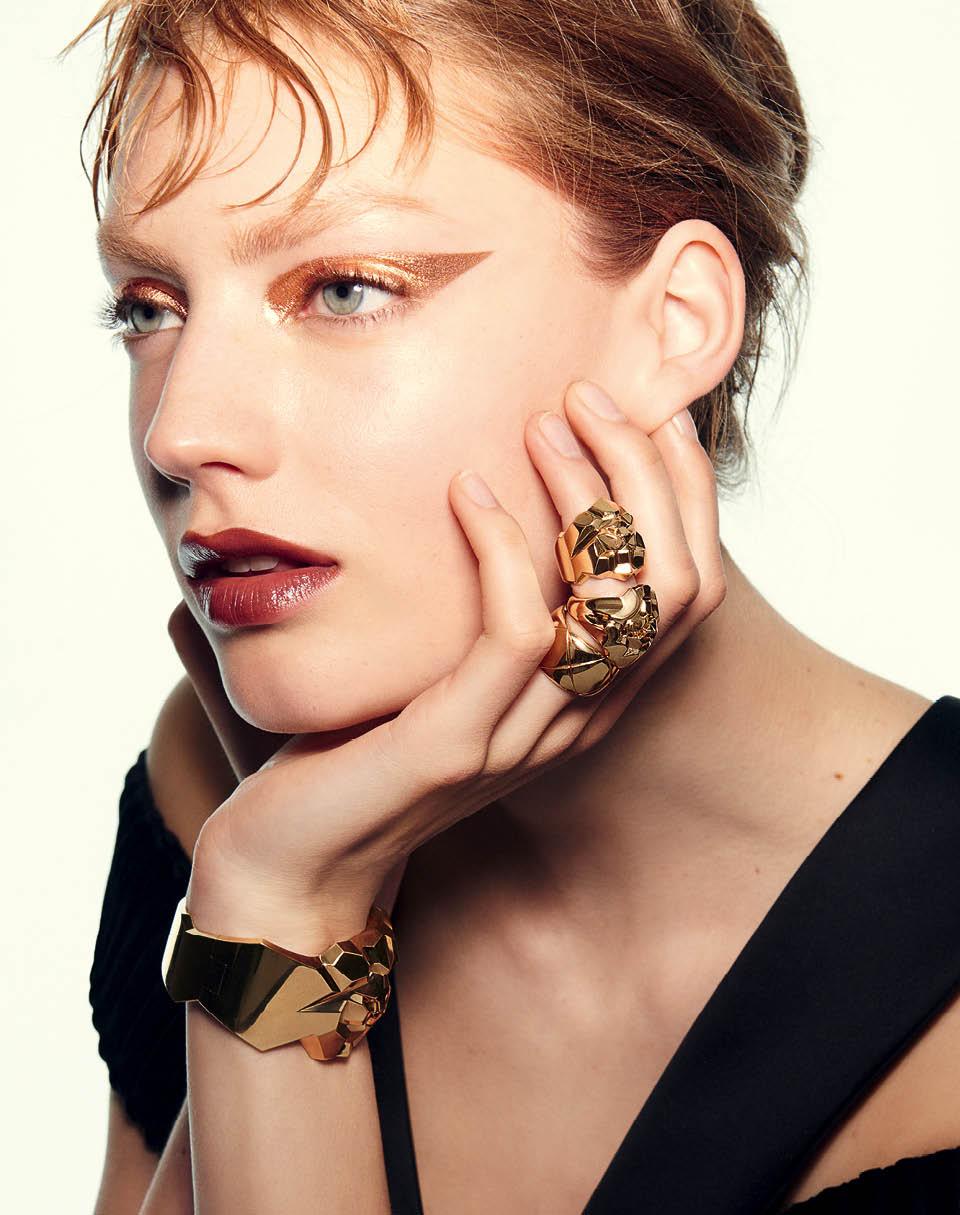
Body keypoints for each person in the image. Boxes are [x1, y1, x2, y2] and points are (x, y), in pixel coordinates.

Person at [63, 1, 960, 1212]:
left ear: (676, 324)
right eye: (149, 307)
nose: (181, 431)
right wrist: (277, 902)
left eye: (344, 289)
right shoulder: (238, 804)